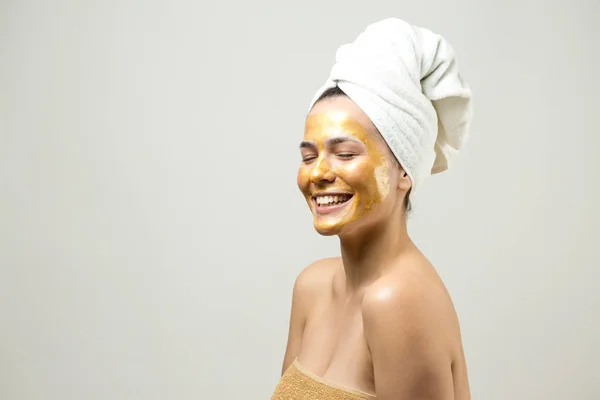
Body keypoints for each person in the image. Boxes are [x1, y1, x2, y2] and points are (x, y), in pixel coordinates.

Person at [271, 18, 473, 400]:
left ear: (403, 171)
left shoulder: (399, 301)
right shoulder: (311, 288)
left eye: (345, 153)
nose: (319, 173)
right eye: (309, 156)